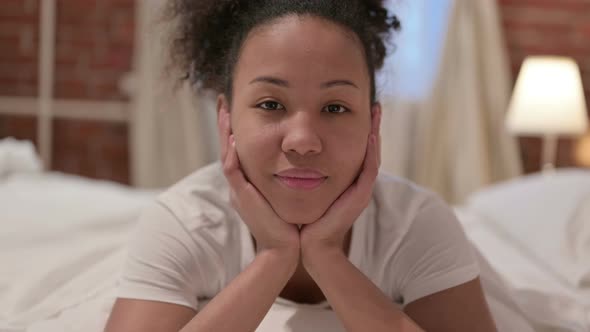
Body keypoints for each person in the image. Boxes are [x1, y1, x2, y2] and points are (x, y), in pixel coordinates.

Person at [104, 1, 531, 331]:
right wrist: (276, 255)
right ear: (227, 118)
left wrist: (326, 255)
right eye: (271, 104)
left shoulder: (415, 223)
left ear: (373, 122)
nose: (303, 141)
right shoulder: (184, 221)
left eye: (335, 106)